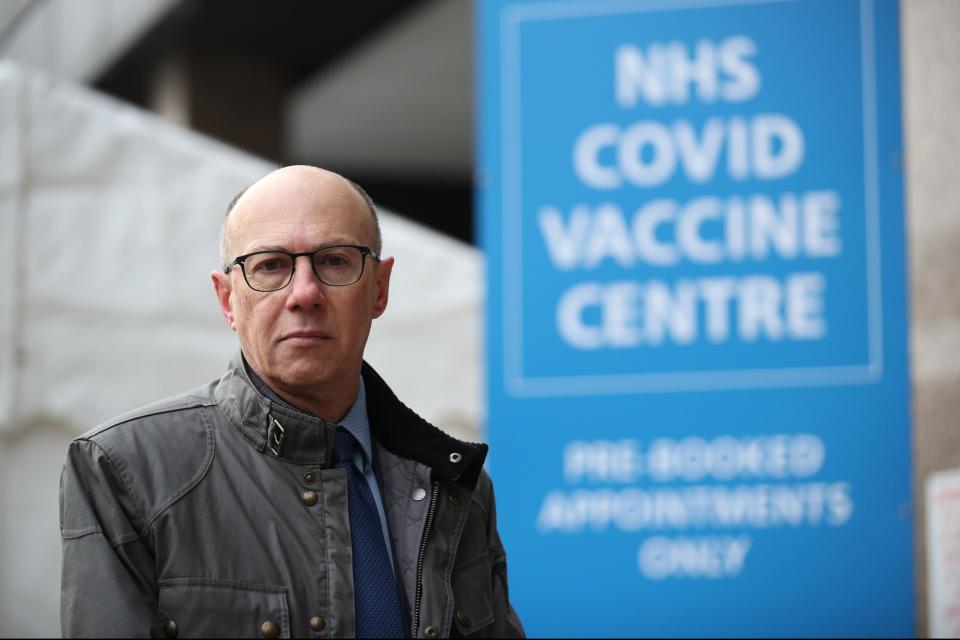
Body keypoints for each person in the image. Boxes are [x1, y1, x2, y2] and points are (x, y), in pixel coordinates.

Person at [59, 165, 525, 639]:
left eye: (335, 260)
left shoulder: (453, 485)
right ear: (227, 300)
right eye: (270, 265)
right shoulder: (125, 471)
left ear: (379, 289)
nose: (304, 293)